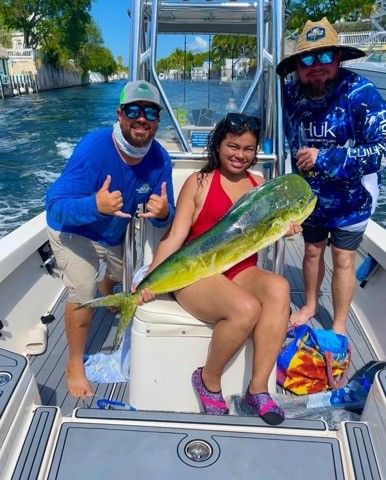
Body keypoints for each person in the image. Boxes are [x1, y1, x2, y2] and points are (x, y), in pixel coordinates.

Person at [136, 113, 301, 425]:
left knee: (279, 288)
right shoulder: (198, 182)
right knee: (246, 308)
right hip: (197, 273)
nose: (240, 155)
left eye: (249, 149)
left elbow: (270, 231)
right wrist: (150, 279)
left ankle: (258, 388)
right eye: (233, 146)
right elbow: (174, 236)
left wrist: (288, 228)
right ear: (219, 145)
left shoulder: (260, 187)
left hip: (241, 270)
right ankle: (208, 381)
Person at [46, 80, 175, 398]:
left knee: (118, 278)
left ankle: (108, 286)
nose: (141, 117)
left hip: (114, 235)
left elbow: (168, 210)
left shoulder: (160, 160)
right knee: (84, 289)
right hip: (75, 232)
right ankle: (74, 363)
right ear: (120, 114)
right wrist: (95, 205)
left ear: (158, 119)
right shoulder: (93, 149)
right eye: (133, 109)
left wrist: (162, 213)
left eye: (150, 111)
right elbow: (55, 207)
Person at [277, 17, 386, 333]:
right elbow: (269, 128)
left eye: (325, 56)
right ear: (297, 65)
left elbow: (380, 151)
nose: (316, 65)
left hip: (353, 198)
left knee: (343, 259)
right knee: (311, 252)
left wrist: (324, 157)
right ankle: (310, 304)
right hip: (308, 199)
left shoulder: (360, 92)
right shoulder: (289, 94)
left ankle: (338, 324)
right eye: (307, 58)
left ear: (338, 58)